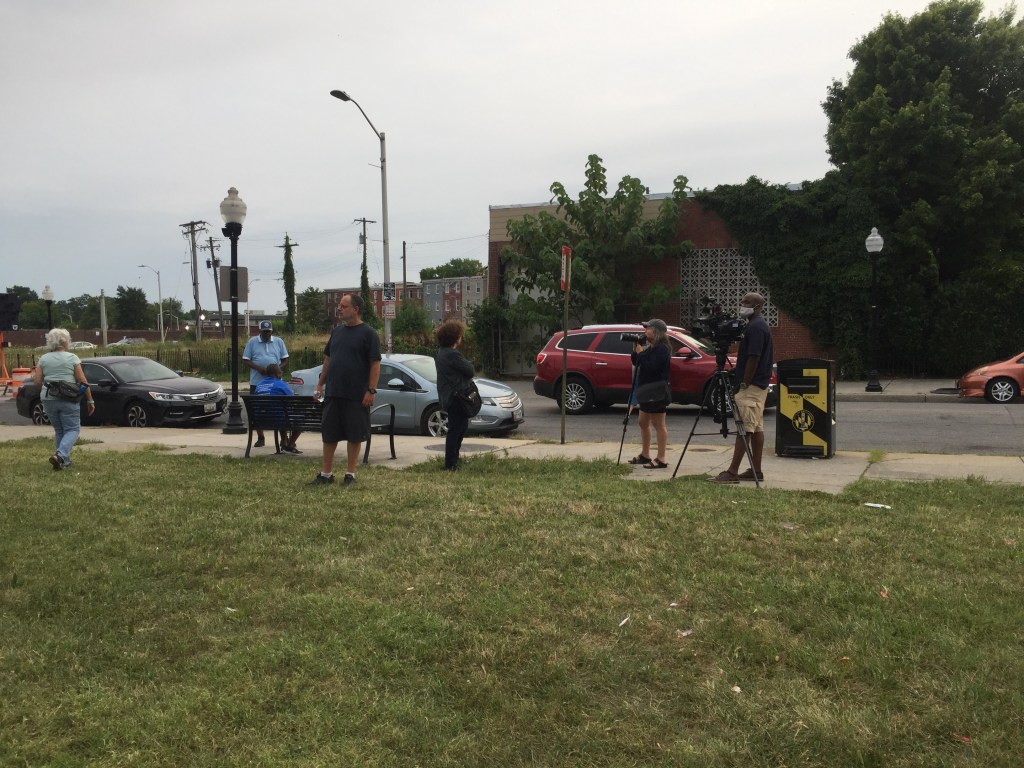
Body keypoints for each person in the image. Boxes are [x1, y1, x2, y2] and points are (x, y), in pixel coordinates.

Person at [310, 293, 381, 487]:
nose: (339, 309)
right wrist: (320, 384)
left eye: (343, 306)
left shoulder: (369, 334)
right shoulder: (337, 332)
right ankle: (326, 474)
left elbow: (375, 364)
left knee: (354, 435)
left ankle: (350, 474)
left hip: (356, 394)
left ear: (355, 309)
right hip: (334, 392)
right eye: (339, 306)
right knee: (329, 434)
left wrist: (371, 390)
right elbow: (328, 359)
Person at [710, 292, 774, 483]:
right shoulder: (757, 325)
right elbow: (751, 358)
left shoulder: (755, 327)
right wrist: (736, 370)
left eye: (747, 302)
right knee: (756, 428)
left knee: (744, 429)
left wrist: (744, 382)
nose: (742, 304)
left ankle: (732, 473)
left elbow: (754, 358)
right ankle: (756, 471)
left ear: (757, 306)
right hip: (759, 385)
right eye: (743, 301)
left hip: (752, 386)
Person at [32, 327, 96, 471]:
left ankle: (63, 462)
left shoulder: (43, 359)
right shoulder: (72, 358)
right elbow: (83, 381)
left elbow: (36, 381)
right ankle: (60, 455)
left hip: (48, 398)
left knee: (59, 430)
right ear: (66, 341)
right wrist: (90, 400)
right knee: (73, 429)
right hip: (68, 398)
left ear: (50, 342)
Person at [628, 319, 672, 469]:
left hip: (657, 390)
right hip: (646, 390)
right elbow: (637, 361)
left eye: (648, 328)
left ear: (657, 331)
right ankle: (645, 454)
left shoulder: (662, 349)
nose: (645, 331)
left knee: (658, 424)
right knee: (643, 422)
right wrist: (636, 348)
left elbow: (651, 367)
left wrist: (641, 353)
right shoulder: (651, 348)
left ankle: (661, 458)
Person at [435, 320, 475, 471]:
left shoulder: (442, 352)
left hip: (451, 397)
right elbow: (470, 370)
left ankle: (454, 460)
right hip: (456, 398)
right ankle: (450, 463)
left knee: (460, 428)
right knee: (455, 430)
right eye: (459, 335)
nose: (461, 337)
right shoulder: (452, 354)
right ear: (455, 337)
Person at [242, 320, 289, 448]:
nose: (267, 334)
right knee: (257, 411)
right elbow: (246, 359)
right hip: (257, 382)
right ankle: (260, 437)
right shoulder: (252, 342)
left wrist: (276, 369)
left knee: (280, 410)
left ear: (271, 331)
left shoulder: (278, 341)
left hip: (275, 382)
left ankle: (284, 439)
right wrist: (259, 369)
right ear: (260, 331)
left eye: (269, 331)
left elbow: (285, 359)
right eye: (264, 332)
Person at [253, 363, 302, 454]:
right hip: (277, 419)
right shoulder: (280, 383)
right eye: (281, 372)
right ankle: (290, 445)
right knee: (299, 419)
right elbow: (292, 397)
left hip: (259, 420)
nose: (282, 373)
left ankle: (284, 441)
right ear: (277, 374)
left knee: (279, 413)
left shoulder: (259, 384)